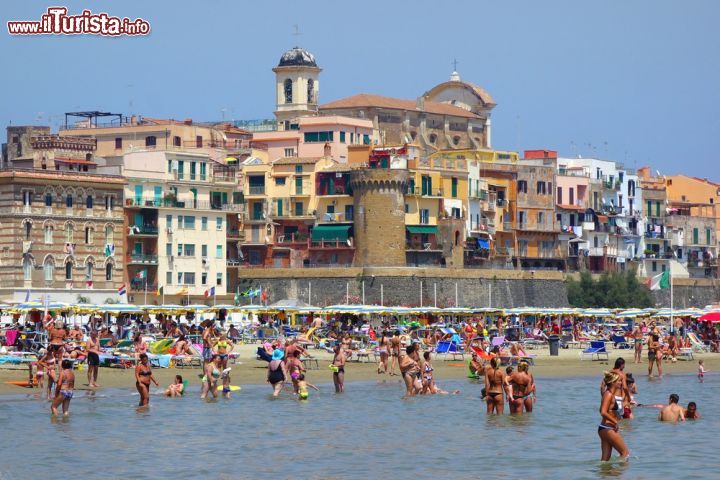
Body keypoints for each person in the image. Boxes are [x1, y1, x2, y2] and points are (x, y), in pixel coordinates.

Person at [598, 371, 630, 461]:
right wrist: (615, 421)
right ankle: (618, 474)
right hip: (608, 428)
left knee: (605, 460)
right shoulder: (608, 394)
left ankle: (605, 474)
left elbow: (601, 409)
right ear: (612, 382)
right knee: (625, 453)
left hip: (604, 428)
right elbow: (603, 412)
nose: (621, 383)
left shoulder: (608, 394)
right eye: (619, 381)